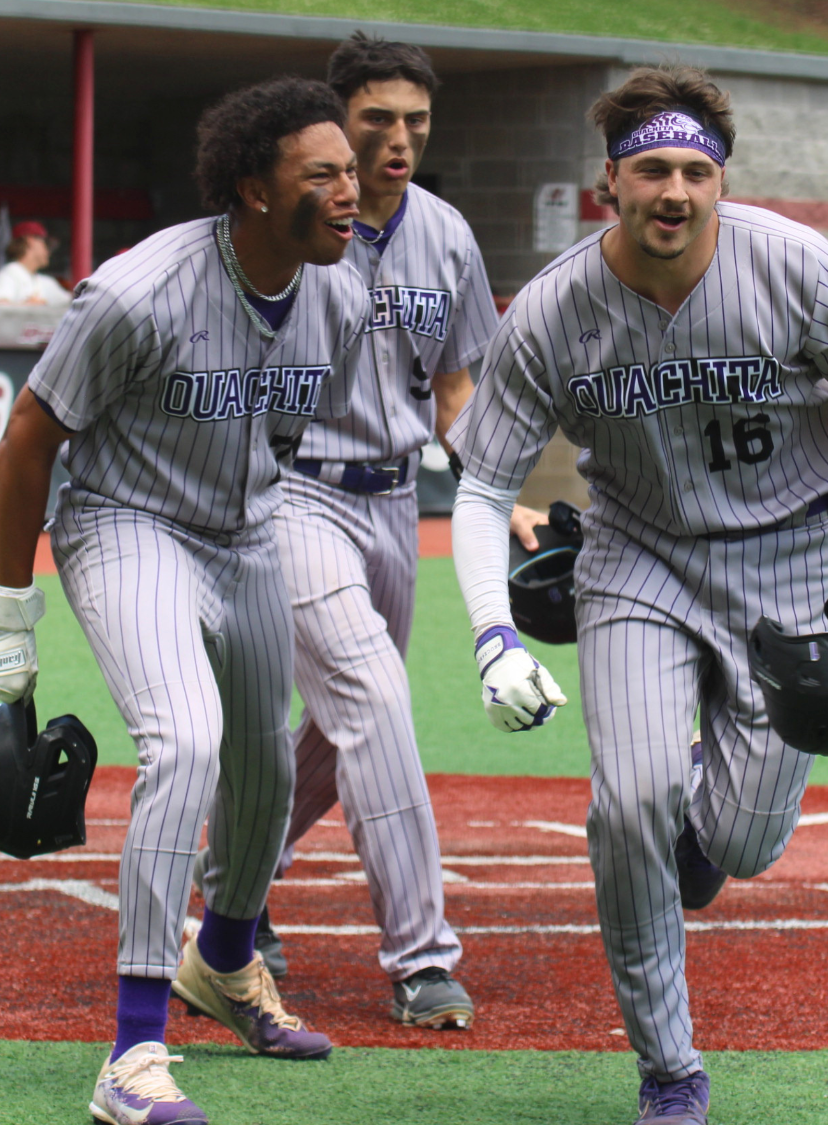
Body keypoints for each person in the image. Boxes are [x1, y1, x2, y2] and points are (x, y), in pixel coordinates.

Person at [447, 66, 828, 1125]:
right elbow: (482, 483)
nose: (675, 190)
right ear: (607, 180)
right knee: (627, 807)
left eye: (695, 172)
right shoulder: (551, 310)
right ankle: (668, 1071)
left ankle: (702, 797)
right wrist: (491, 636)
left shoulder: (793, 266)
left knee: (743, 848)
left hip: (791, 558)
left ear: (719, 181)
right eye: (653, 169)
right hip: (634, 558)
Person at [0, 77, 368, 1125]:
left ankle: (225, 964)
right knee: (185, 743)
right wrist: (10, 609)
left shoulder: (344, 294)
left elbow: (283, 443)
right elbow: (29, 440)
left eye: (351, 172)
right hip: (124, 523)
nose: (349, 193)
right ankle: (131, 1056)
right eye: (320, 174)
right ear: (249, 187)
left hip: (244, 533)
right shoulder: (134, 292)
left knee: (265, 770)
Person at [252, 31, 544, 1031]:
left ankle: (226, 886)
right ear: (336, 124)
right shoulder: (280, 225)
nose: (399, 139)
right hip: (291, 497)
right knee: (374, 700)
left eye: (415, 122)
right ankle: (421, 959)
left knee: (337, 742)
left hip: (391, 504)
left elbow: (459, 389)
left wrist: (503, 494)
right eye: (377, 119)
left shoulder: (447, 235)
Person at [0, 220, 71, 305]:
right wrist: (25, 306)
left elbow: (72, 301)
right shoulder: (8, 274)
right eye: (45, 243)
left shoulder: (46, 281)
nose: (48, 251)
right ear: (30, 240)